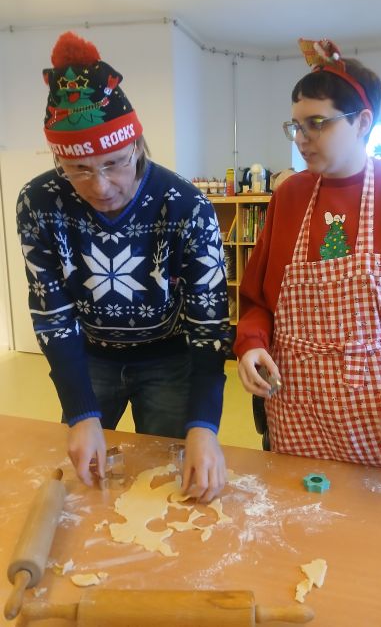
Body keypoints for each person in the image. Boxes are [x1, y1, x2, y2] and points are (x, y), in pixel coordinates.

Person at [235, 37, 381, 471]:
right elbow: (257, 300)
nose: (301, 139)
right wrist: (250, 345)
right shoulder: (289, 196)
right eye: (295, 126)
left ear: (363, 122)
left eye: (317, 123)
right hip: (296, 407)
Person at [17, 31, 232, 501]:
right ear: (58, 158)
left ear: (136, 144)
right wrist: (81, 412)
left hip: (169, 358)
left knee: (171, 481)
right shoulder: (38, 203)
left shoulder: (186, 205)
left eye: (114, 163)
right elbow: (53, 314)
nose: (100, 186)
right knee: (85, 483)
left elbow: (209, 323)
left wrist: (204, 424)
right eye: (79, 169)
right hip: (89, 357)